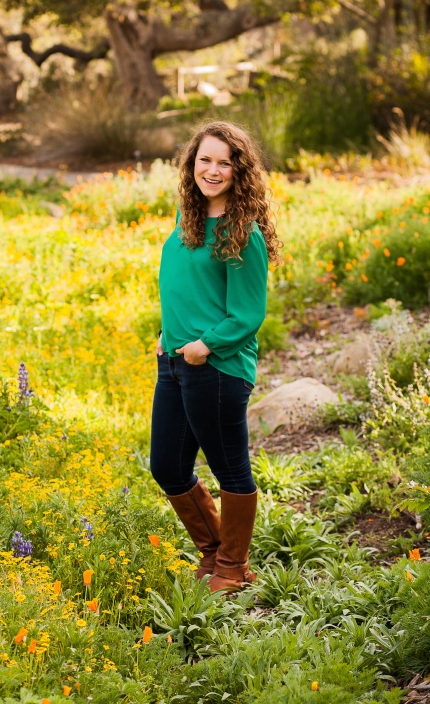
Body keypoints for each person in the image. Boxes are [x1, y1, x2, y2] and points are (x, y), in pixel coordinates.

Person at [150, 120, 281, 593]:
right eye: (205, 159)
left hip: (217, 366)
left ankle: (232, 567)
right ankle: (214, 552)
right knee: (166, 465)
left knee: (230, 468)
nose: (213, 169)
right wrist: (167, 333)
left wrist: (206, 346)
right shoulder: (188, 223)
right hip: (175, 364)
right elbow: (186, 288)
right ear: (192, 164)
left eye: (225, 162)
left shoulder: (241, 232)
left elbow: (248, 313)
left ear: (239, 171)